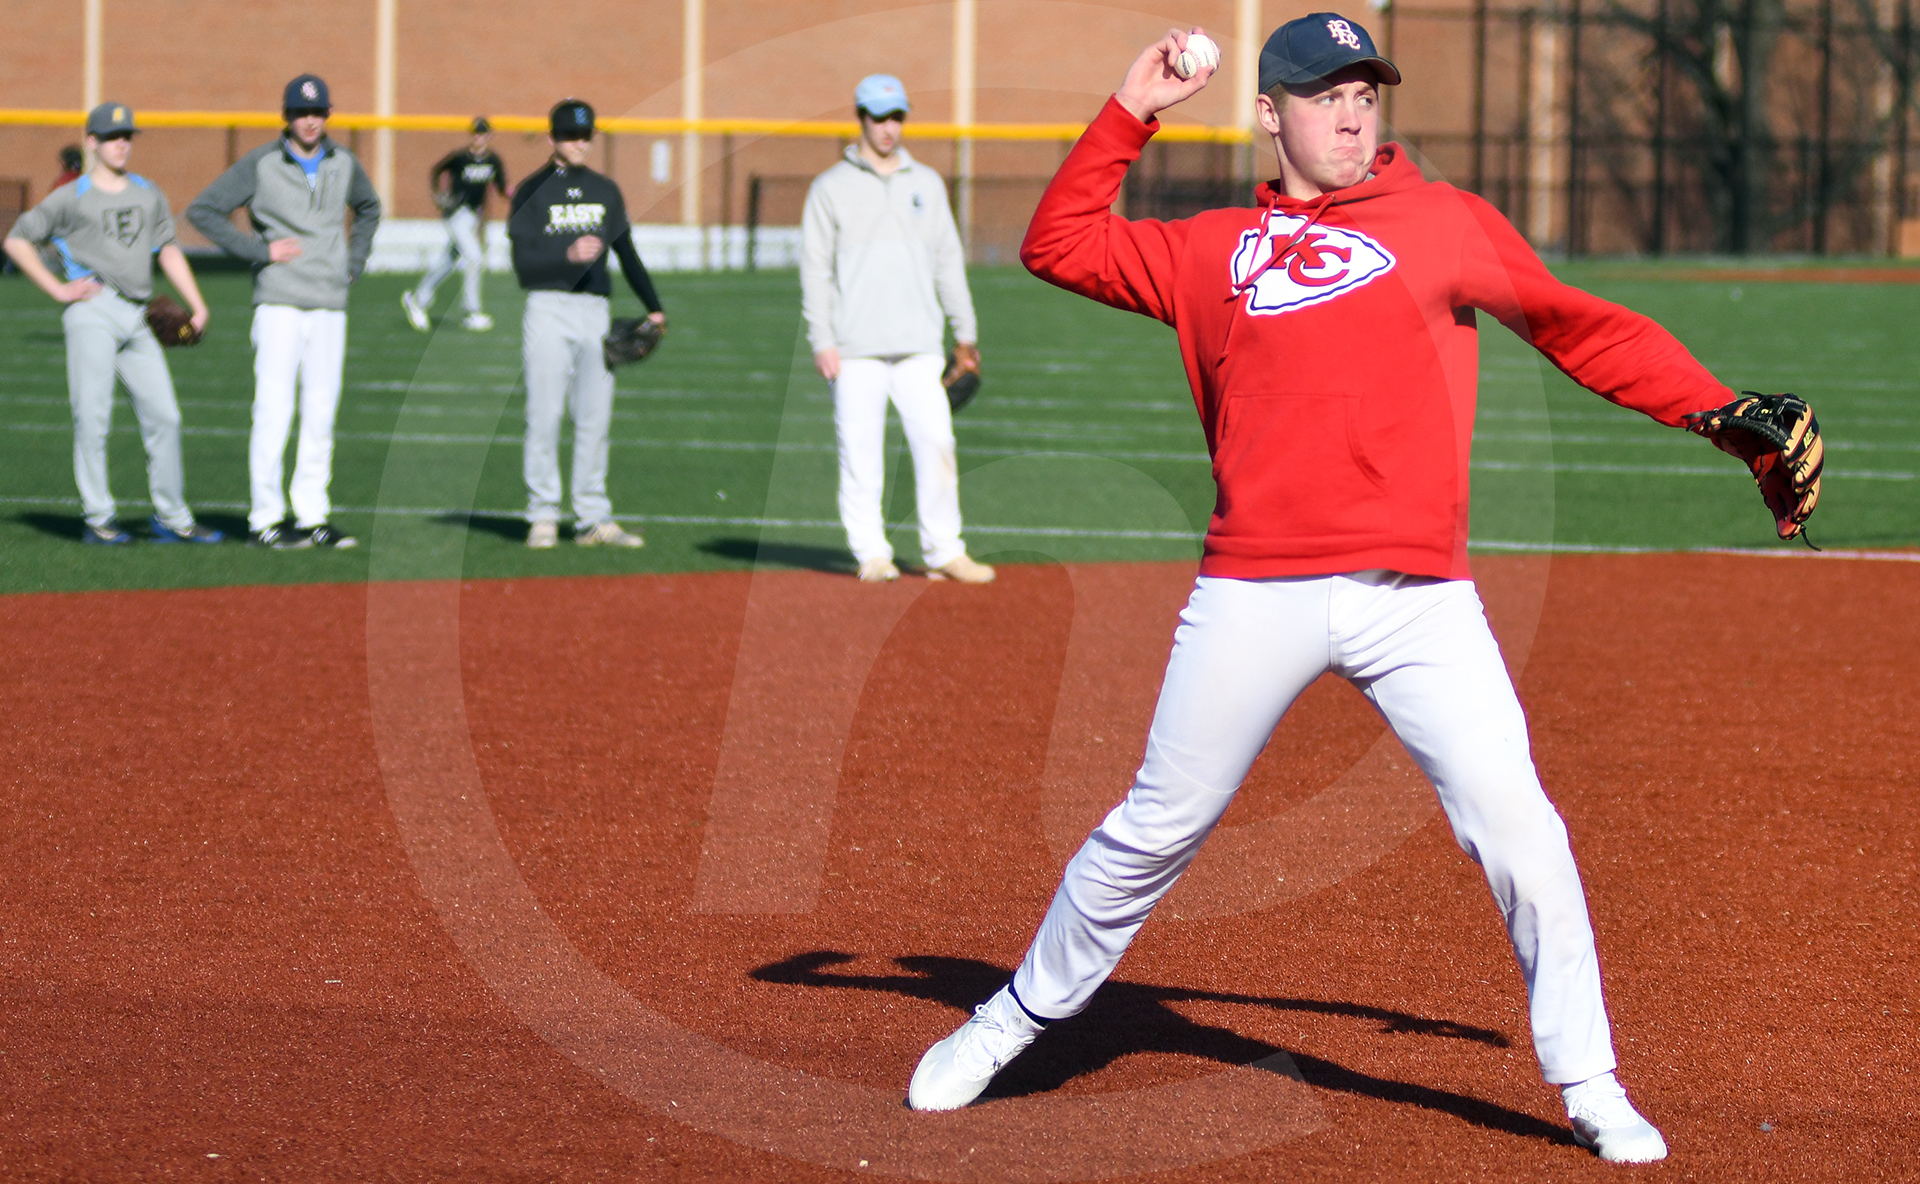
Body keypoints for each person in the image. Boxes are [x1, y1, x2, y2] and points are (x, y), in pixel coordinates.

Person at [905, 15, 1734, 1165]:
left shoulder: (1443, 222)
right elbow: (1060, 244)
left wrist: (1718, 411)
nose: (1353, 113)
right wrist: (1131, 107)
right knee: (1155, 826)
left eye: (1367, 93)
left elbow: (1576, 327)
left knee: (1521, 832)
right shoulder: (1208, 247)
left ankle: (1589, 1077)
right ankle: (1011, 1019)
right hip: (1256, 587)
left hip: (1419, 599)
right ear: (1270, 112)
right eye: (1327, 93)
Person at [800, 74, 995, 584]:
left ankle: (944, 551)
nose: (888, 127)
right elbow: (814, 270)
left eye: (896, 117)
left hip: (919, 345)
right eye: (878, 116)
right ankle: (872, 554)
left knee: (936, 444)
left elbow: (948, 263)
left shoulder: (926, 184)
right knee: (860, 455)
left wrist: (965, 333)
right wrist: (822, 339)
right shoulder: (829, 188)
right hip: (855, 347)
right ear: (860, 117)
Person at [3, 103, 220, 545]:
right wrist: (59, 290)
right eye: (112, 136)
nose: (122, 143)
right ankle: (99, 519)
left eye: (127, 136)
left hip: (140, 315)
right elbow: (17, 239)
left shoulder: (147, 191)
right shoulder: (70, 196)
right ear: (91, 143)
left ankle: (172, 516)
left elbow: (169, 249)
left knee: (166, 415)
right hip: (93, 312)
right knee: (93, 418)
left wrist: (197, 304)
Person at [186, 73, 380, 549]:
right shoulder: (261, 162)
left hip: (330, 305)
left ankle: (313, 515)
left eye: (317, 112)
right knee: (273, 411)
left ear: (327, 116)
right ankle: (266, 519)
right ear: (286, 117)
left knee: (321, 414)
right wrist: (259, 250)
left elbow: (370, 209)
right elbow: (204, 210)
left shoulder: (344, 162)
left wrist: (352, 263)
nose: (309, 120)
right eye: (300, 113)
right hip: (278, 304)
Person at [507, 98, 663, 550]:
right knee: (544, 414)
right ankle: (542, 515)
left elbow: (626, 252)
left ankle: (592, 515)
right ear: (553, 137)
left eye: (586, 135)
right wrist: (566, 255)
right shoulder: (531, 190)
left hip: (595, 310)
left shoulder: (605, 190)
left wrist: (654, 306)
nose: (579, 143)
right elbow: (523, 264)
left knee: (595, 417)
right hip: (548, 307)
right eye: (570, 135)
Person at [403, 116, 509, 333]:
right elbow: (437, 170)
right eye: (475, 133)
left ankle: (417, 299)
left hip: (471, 217)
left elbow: (502, 188)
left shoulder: (493, 161)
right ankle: (472, 311)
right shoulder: (460, 157)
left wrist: (520, 195)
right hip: (455, 214)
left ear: (489, 136)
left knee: (448, 261)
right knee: (475, 257)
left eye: (482, 133)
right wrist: (438, 194)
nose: (478, 137)